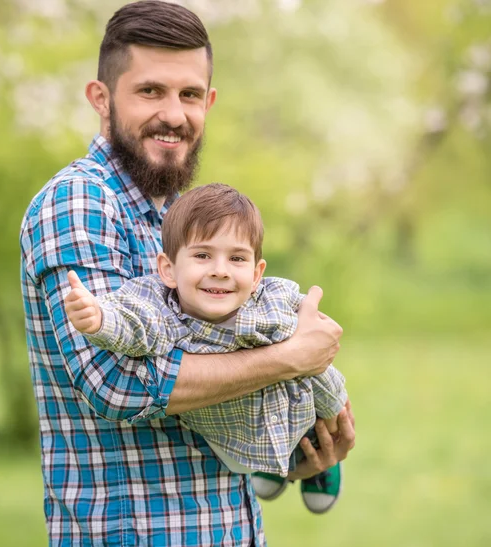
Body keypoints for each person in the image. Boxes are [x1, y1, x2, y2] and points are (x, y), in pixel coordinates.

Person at [20, 1, 354, 545]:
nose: (173, 114)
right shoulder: (79, 202)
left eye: (189, 94)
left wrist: (285, 448)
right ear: (101, 100)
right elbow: (116, 384)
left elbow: (217, 372)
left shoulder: (188, 219)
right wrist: (288, 358)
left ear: (209, 102)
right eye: (150, 91)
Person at [64, 183, 348, 515]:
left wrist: (334, 412)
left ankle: (314, 456)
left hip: (296, 406)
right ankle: (269, 464)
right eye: (202, 255)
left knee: (325, 416)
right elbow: (135, 324)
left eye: (237, 258)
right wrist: (100, 318)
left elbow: (315, 342)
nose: (220, 269)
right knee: (239, 456)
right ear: (168, 269)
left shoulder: (269, 304)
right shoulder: (165, 313)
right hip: (230, 432)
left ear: (257, 274)